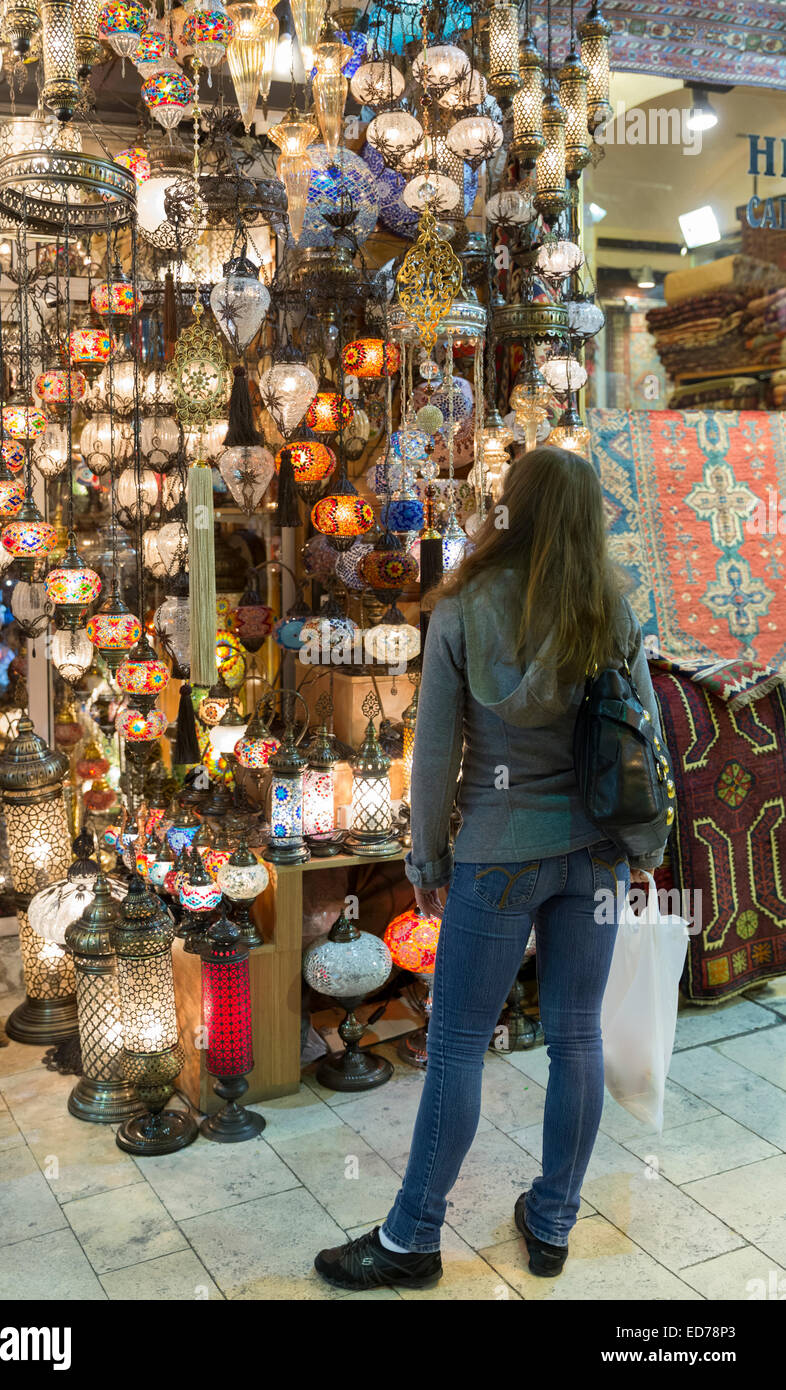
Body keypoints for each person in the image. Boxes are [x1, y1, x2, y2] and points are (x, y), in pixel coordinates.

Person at [314, 446, 670, 1292]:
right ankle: (551, 1222)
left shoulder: (464, 607)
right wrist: (648, 850)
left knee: (459, 1042)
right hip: (595, 854)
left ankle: (411, 1240)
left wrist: (427, 855)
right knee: (576, 1035)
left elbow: (435, 753)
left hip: (498, 853)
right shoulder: (609, 609)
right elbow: (645, 743)